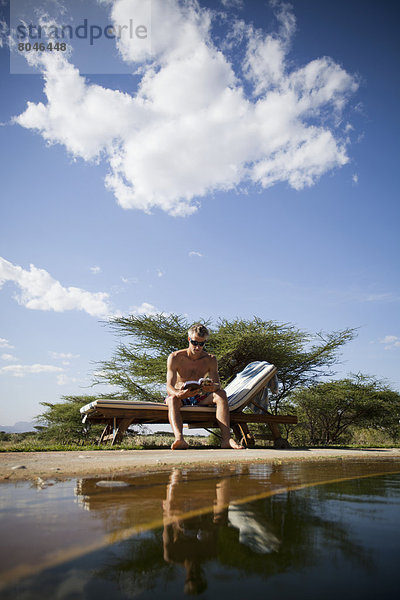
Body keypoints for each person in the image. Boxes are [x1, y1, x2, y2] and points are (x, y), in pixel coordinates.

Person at [165, 323, 244, 450]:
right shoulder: (175, 357)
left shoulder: (210, 359)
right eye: (195, 343)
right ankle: (179, 439)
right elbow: (169, 386)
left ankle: (226, 439)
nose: (198, 347)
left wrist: (212, 387)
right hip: (181, 396)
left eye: (202, 344)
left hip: (199, 396)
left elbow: (218, 384)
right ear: (189, 339)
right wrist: (178, 393)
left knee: (221, 394)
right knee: (172, 399)